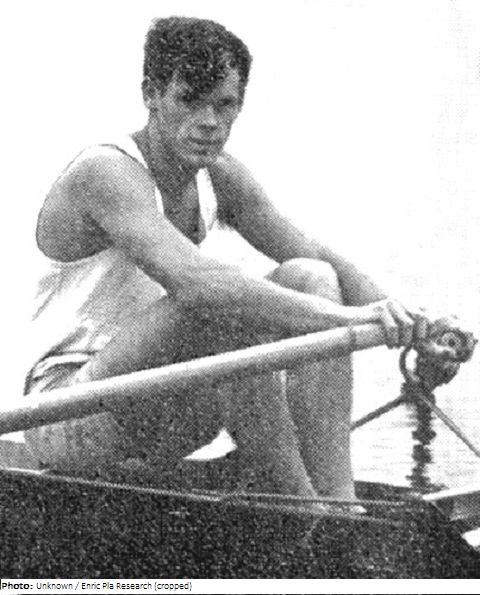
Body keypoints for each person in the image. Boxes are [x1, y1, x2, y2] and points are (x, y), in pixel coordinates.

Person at [25, 16, 426, 504]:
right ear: (151, 94)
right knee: (220, 306)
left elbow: (314, 254)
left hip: (166, 409)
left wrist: (415, 324)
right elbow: (200, 286)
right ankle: (306, 511)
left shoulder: (219, 175)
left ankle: (340, 502)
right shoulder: (105, 172)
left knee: (313, 277)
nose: (209, 122)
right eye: (189, 101)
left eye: (224, 104)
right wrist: (349, 320)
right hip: (69, 415)